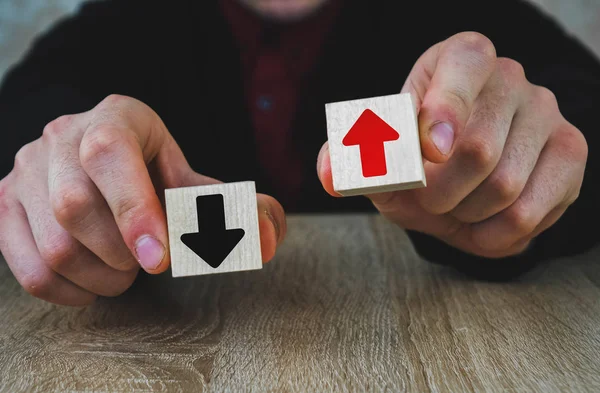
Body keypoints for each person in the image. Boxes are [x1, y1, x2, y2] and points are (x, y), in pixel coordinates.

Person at [0, 0, 598, 306]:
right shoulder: (120, 23)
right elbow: (30, 109)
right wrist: (53, 166)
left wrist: (544, 168)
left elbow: (579, 103)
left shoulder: (466, 11)